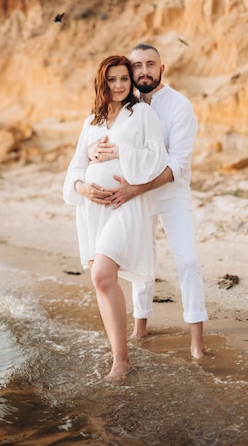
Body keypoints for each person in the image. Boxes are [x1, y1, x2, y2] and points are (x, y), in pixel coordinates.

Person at [90, 44, 208, 359]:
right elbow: (101, 140)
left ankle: (196, 340)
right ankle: (140, 326)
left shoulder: (179, 106)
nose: (144, 71)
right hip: (133, 195)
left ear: (161, 68)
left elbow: (178, 165)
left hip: (170, 192)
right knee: (141, 262)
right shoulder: (124, 106)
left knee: (186, 260)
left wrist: (137, 188)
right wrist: (92, 153)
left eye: (150, 64)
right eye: (137, 65)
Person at [63, 54, 168, 379]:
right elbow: (75, 169)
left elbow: (158, 158)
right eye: (113, 79)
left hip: (124, 205)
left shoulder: (142, 114)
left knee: (101, 276)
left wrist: (122, 151)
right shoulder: (91, 123)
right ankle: (118, 355)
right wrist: (83, 189)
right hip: (93, 209)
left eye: (125, 78)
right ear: (102, 82)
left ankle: (121, 362)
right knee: (102, 281)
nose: (120, 85)